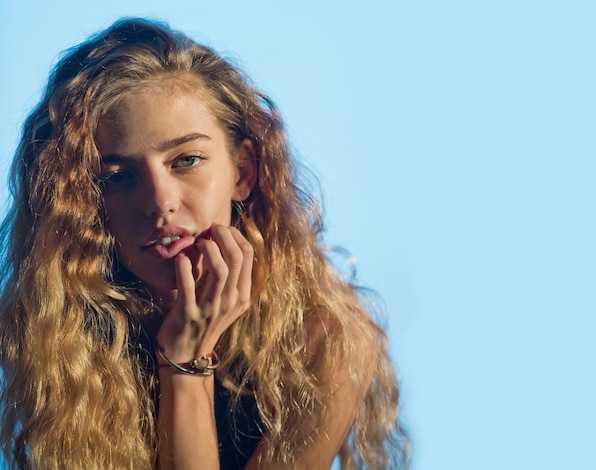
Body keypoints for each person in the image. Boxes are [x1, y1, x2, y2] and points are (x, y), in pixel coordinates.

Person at [0, 17, 409, 469]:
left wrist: (186, 361)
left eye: (187, 160)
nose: (159, 203)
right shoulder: (45, 334)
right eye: (117, 176)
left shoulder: (330, 338)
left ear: (244, 173)